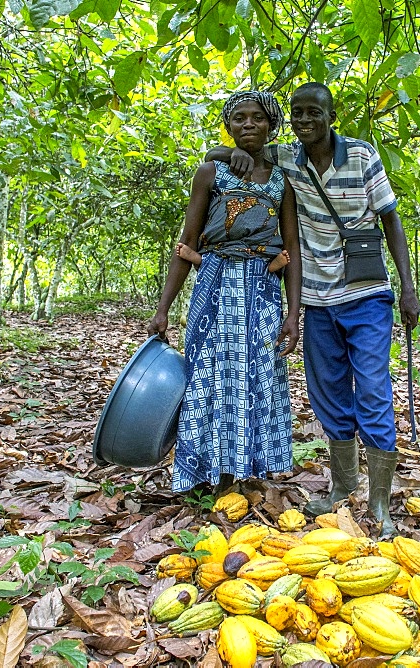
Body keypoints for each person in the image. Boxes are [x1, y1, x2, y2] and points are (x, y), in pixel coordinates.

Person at [206, 82, 420, 537]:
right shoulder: (287, 159)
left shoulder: (361, 155)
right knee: (329, 397)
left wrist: (408, 286)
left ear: (330, 116)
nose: (305, 121)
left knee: (375, 391)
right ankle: (344, 489)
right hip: (317, 300)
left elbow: (391, 220)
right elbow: (219, 152)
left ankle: (379, 503)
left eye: (314, 113)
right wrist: (230, 155)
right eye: (297, 113)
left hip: (366, 295)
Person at [148, 91, 302, 495]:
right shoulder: (210, 173)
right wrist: (163, 308)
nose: (248, 125)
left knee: (257, 377)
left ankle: (245, 471)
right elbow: (188, 238)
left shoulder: (281, 179)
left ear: (272, 125)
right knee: (209, 375)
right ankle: (206, 473)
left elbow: (292, 246)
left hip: (263, 289)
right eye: (238, 119)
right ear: (228, 125)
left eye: (257, 118)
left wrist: (292, 314)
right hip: (214, 284)